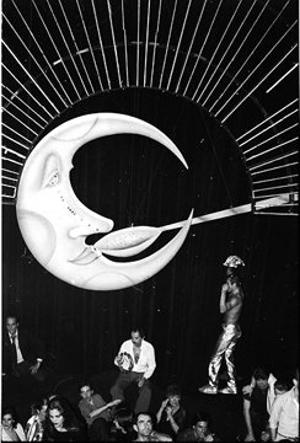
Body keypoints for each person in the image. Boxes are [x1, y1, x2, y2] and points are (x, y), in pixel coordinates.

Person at [199, 255, 245, 395]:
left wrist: (223, 292)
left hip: (230, 330)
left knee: (216, 357)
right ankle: (232, 386)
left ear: (233, 283)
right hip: (234, 328)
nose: (227, 284)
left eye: (228, 283)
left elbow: (222, 309)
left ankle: (212, 386)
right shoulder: (238, 294)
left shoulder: (236, 296)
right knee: (228, 357)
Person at [110, 327, 156, 413]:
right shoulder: (125, 344)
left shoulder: (149, 348)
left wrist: (144, 378)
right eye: (132, 337)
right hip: (127, 373)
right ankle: (120, 411)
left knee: (147, 391)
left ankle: (138, 415)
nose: (133, 340)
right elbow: (117, 361)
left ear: (143, 338)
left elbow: (152, 366)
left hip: (142, 373)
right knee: (115, 389)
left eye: (136, 338)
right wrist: (118, 361)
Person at [2, 313, 46, 382]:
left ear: (17, 324)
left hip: (25, 363)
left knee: (41, 379)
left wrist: (38, 363)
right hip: (9, 367)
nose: (10, 327)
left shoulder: (25, 334)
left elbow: (39, 344)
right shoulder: (2, 336)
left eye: (13, 324)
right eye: (8, 325)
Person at [268, 369, 299, 441]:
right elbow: (273, 422)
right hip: (284, 438)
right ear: (295, 382)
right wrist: (273, 439)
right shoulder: (281, 399)